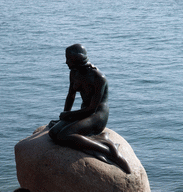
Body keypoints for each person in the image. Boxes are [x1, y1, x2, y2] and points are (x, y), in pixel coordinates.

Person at [48, 44, 131, 174]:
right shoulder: (74, 73)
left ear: (77, 59)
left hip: (97, 116)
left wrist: (69, 115)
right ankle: (99, 139)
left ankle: (109, 150)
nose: (66, 62)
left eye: (68, 59)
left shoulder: (98, 78)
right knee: (53, 133)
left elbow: (92, 109)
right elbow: (71, 95)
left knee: (65, 135)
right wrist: (65, 114)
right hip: (84, 113)